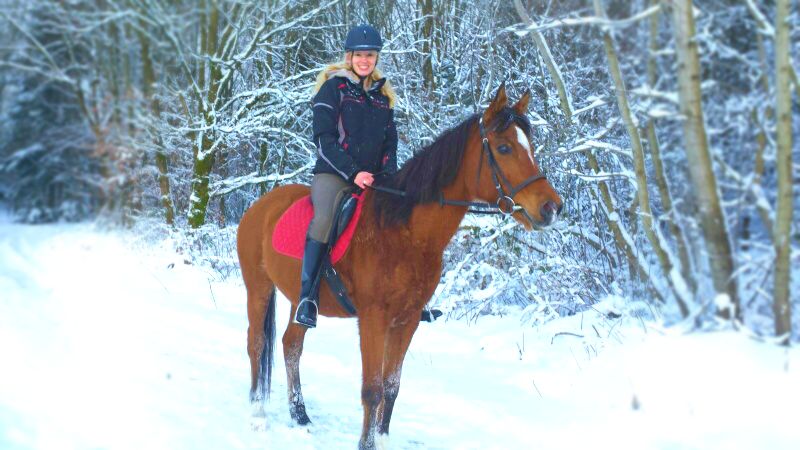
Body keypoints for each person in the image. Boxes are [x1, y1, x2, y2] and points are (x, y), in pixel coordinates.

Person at [294, 24, 399, 328]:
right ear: (349, 56)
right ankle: (308, 298)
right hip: (335, 174)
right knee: (324, 219)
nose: (365, 60)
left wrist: (387, 175)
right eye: (359, 55)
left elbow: (390, 144)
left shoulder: (383, 97)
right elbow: (324, 140)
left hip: (373, 179)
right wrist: (354, 172)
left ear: (376, 58)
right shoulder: (333, 89)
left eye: (370, 55)